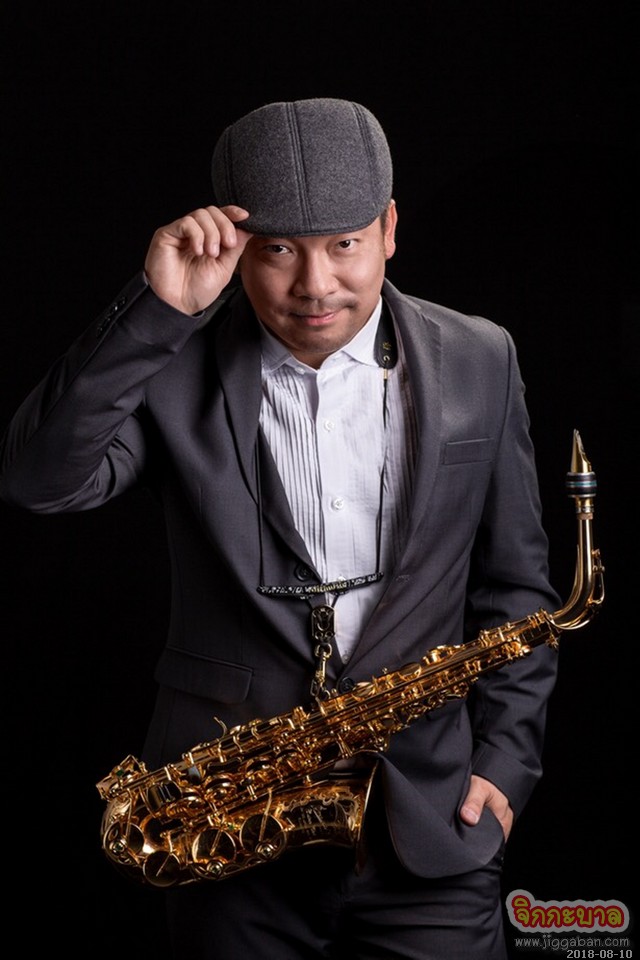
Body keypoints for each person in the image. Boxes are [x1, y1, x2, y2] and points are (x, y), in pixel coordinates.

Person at [0, 98, 560, 959]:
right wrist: (156, 311)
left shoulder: (482, 357)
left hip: (432, 821)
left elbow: (517, 586)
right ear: (235, 248)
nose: (316, 285)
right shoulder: (170, 365)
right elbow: (39, 481)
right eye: (279, 251)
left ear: (389, 230)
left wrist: (505, 763)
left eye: (344, 244)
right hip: (225, 830)